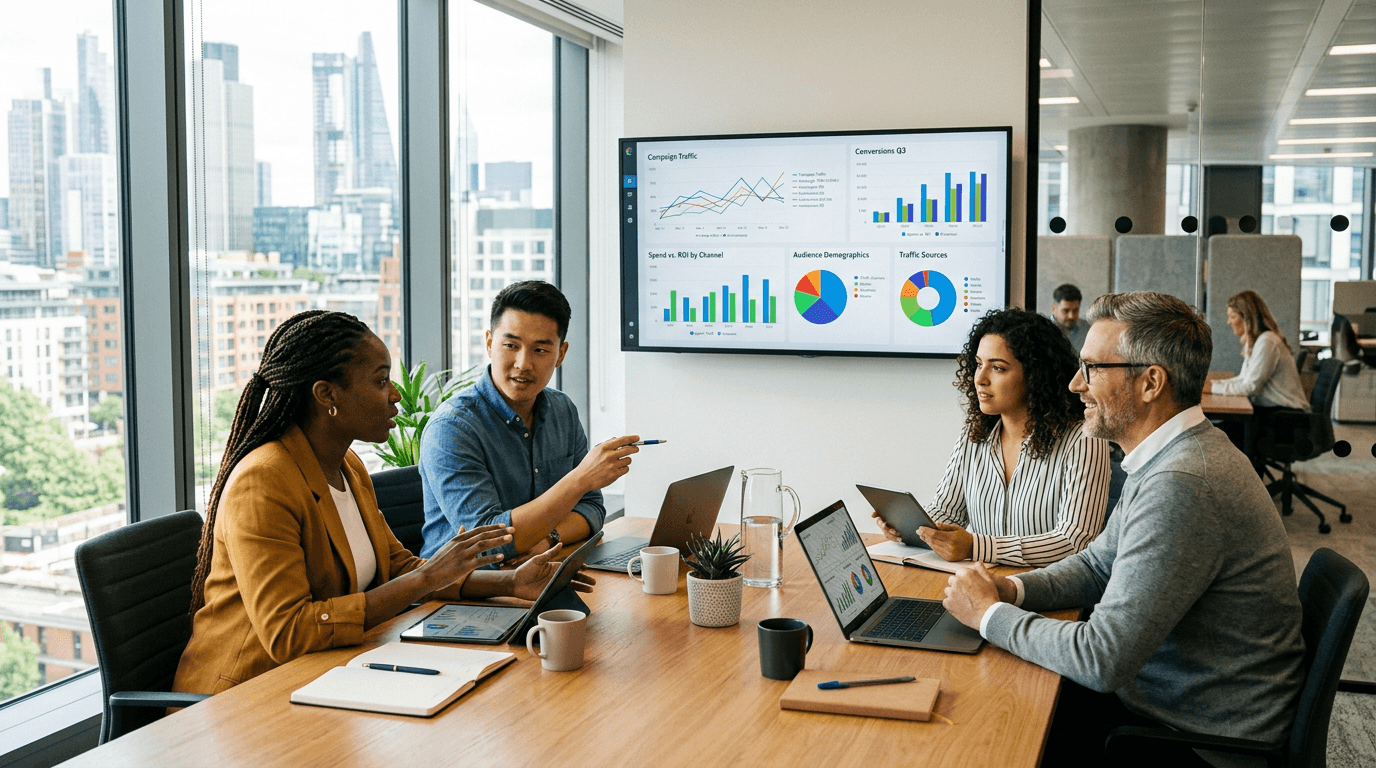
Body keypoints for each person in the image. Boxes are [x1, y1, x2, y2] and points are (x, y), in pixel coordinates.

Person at [941, 292, 1305, 766]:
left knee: (988, 732)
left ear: (1151, 383)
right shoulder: (1170, 456)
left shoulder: (1182, 483)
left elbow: (1100, 658)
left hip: (1194, 740)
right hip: (1165, 702)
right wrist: (1009, 589)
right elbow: (1097, 565)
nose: (1075, 385)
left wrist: (989, 616)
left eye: (1092, 368)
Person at [173, 311, 591, 695]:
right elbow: (288, 633)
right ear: (326, 395)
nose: (394, 394)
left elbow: (398, 568)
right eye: (379, 381)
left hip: (328, 674)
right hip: (243, 695)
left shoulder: (348, 467)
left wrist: (512, 583)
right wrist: (425, 582)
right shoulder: (263, 482)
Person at [873, 307, 1110, 567]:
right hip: (983, 587)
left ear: (1035, 375)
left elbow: (1075, 542)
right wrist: (909, 527)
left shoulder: (1084, 438)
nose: (980, 379)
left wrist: (976, 546)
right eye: (978, 364)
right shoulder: (974, 435)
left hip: (1049, 596)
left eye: (997, 368)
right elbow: (946, 511)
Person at [420, 280, 638, 562]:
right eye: (511, 345)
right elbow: (489, 543)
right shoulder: (452, 428)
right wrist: (580, 479)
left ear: (561, 354)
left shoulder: (562, 410)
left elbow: (592, 508)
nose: (523, 364)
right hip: (463, 591)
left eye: (540, 350)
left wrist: (547, 539)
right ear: (488, 343)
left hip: (537, 572)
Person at [1203, 289, 1308, 412]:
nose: (1229, 322)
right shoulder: (1256, 341)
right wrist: (1212, 384)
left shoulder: (1267, 341)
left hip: (1285, 413)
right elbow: (1244, 378)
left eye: (1233, 317)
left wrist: (1211, 388)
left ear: (1247, 318)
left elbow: (1250, 387)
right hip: (1273, 410)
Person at [1050, 283, 1090, 353]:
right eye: (1065, 311)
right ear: (1053, 308)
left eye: (1075, 310)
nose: (1071, 316)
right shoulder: (1041, 329)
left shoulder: (1088, 329)